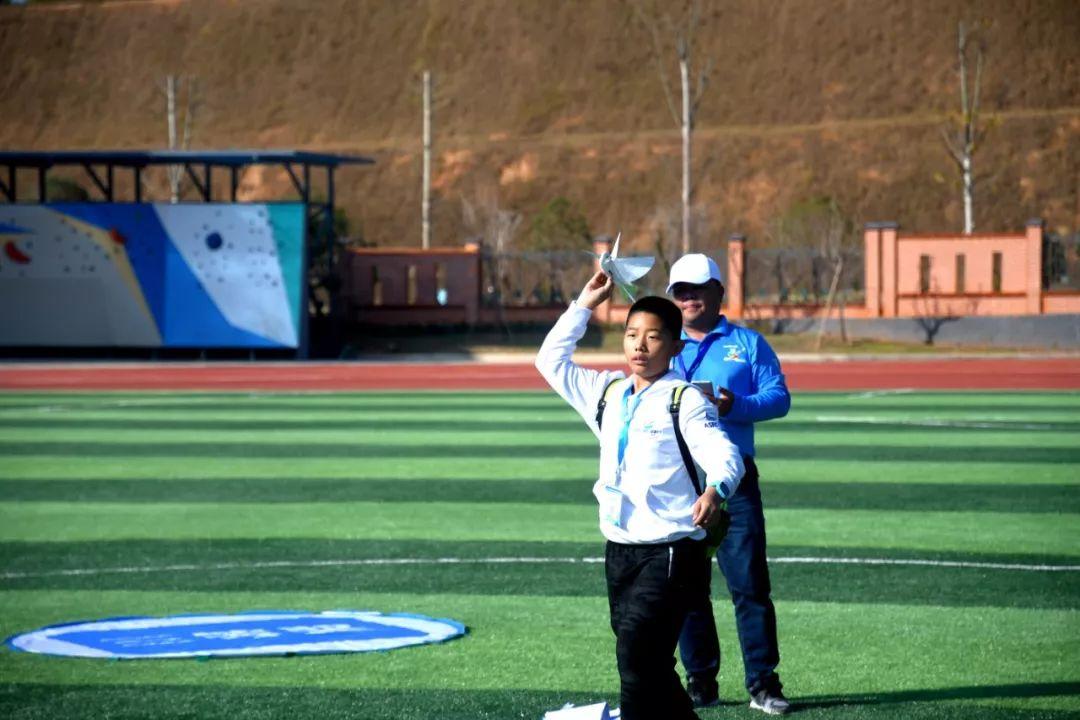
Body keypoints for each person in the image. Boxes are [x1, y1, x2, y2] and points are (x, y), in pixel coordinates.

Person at [535, 270, 745, 720]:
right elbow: (550, 361)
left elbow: (725, 454)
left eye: (653, 337)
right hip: (619, 550)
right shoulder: (606, 393)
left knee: (634, 658)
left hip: (670, 550)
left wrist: (715, 489)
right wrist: (583, 305)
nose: (640, 346)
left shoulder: (684, 399)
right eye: (632, 335)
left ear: (675, 347)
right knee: (650, 665)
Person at [667, 253, 792, 715]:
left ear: (719, 291)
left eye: (697, 288)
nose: (688, 297)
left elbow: (778, 398)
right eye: (680, 291)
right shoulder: (663, 343)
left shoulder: (748, 343)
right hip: (677, 477)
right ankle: (701, 682)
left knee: (749, 585)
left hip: (734, 479)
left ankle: (763, 683)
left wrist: (732, 404)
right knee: (687, 587)